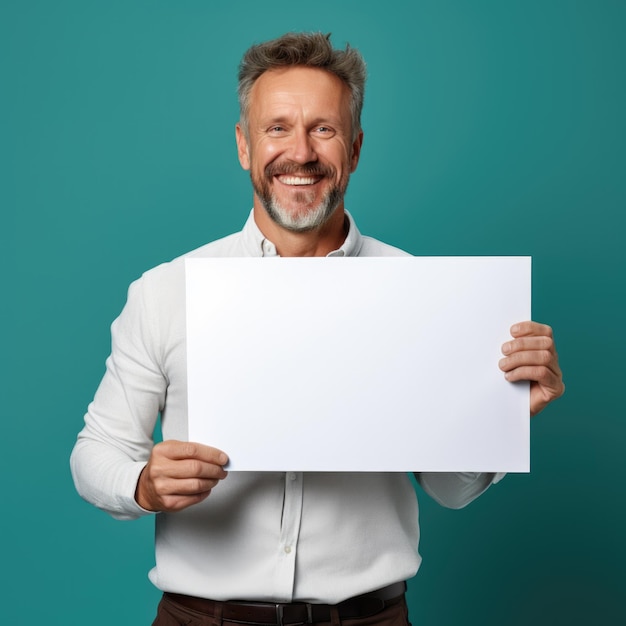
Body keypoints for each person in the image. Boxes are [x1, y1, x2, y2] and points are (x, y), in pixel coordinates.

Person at [70, 32, 564, 626]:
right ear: (244, 146)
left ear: (353, 149)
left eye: (323, 130)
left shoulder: (422, 292)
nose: (299, 153)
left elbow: (452, 489)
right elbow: (96, 453)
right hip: (200, 617)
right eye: (277, 127)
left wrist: (502, 413)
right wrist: (144, 485)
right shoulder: (167, 290)